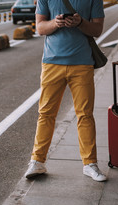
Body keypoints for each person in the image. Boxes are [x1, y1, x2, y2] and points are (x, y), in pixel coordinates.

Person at [25, 0, 107, 181]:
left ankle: (90, 163)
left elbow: (97, 29)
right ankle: (37, 161)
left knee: (85, 114)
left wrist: (80, 23)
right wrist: (55, 23)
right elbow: (40, 27)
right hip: (52, 63)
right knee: (46, 113)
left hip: (83, 63)